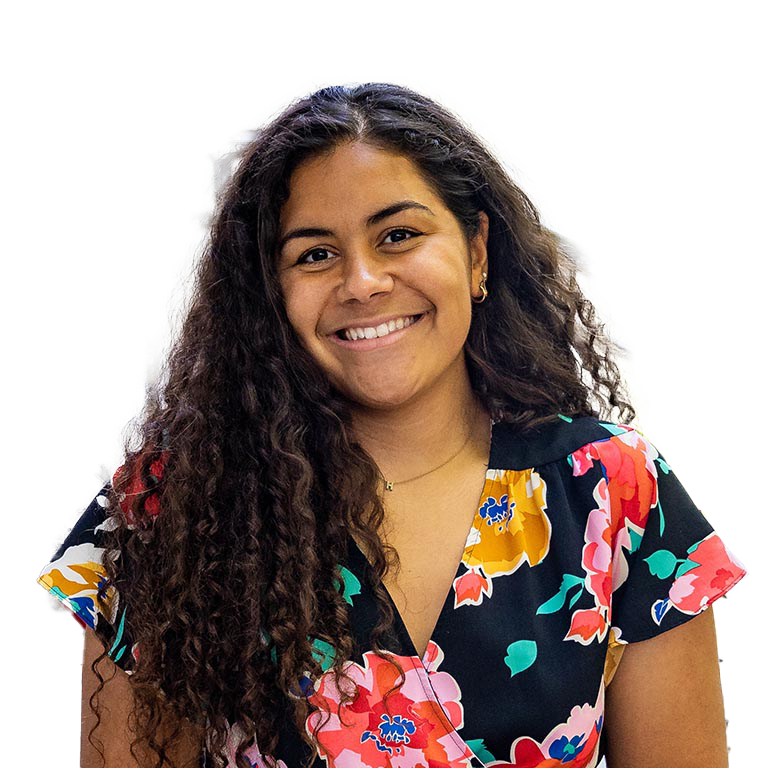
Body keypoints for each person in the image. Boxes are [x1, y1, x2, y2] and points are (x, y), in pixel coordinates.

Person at [37, 82, 746, 768]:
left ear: (475, 254)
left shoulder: (611, 491)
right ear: (269, 295)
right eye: (314, 254)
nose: (362, 282)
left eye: (398, 235)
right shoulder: (172, 510)